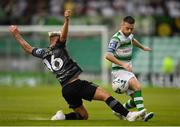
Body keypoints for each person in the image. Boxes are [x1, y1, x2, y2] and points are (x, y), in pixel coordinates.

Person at [9, 10, 145, 121]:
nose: (60, 37)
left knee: (83, 116)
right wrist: (67, 20)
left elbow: (28, 48)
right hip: (76, 84)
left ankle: (62, 117)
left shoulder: (44, 52)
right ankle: (128, 115)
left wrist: (16, 35)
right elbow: (64, 35)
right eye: (58, 36)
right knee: (105, 95)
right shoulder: (59, 47)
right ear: (55, 40)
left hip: (65, 90)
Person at [105, 16, 154, 122]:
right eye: (127, 28)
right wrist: (123, 64)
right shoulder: (116, 38)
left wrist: (143, 47)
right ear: (122, 24)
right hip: (119, 70)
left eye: (132, 29)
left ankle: (119, 111)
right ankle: (143, 115)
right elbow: (108, 56)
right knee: (137, 86)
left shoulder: (129, 35)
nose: (129, 31)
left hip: (127, 70)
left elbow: (132, 40)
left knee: (135, 99)